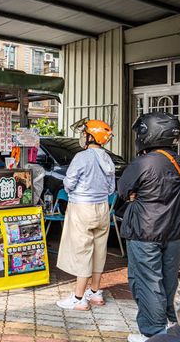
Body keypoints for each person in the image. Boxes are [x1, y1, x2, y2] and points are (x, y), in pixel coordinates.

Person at [118, 112, 180, 342]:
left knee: (148, 282)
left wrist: (134, 196)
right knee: (169, 281)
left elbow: (122, 191)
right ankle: (171, 325)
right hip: (174, 233)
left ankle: (153, 333)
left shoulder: (143, 162)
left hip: (144, 232)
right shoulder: (178, 161)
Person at [56, 119, 115, 311]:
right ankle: (95, 292)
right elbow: (111, 187)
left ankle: (78, 297)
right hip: (102, 208)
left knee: (82, 251)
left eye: (85, 133)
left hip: (82, 207)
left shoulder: (82, 157)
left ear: (91, 136)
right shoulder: (107, 158)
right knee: (99, 250)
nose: (83, 136)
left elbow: (69, 182)